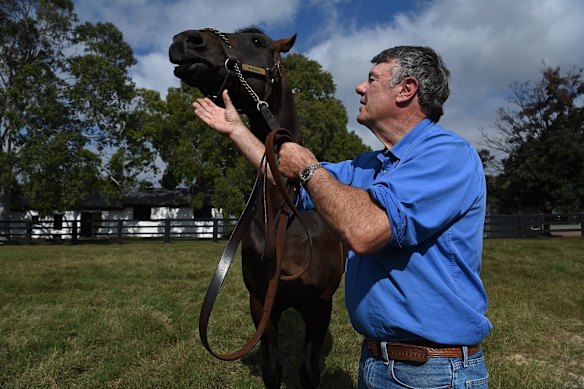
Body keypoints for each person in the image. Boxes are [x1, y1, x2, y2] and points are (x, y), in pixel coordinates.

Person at [193, 46, 491, 388]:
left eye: (372, 79)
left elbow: (364, 230)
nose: (360, 88)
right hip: (379, 363)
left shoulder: (448, 156)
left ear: (406, 90)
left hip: (434, 373)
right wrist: (237, 131)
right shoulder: (369, 166)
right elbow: (285, 175)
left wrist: (307, 167)